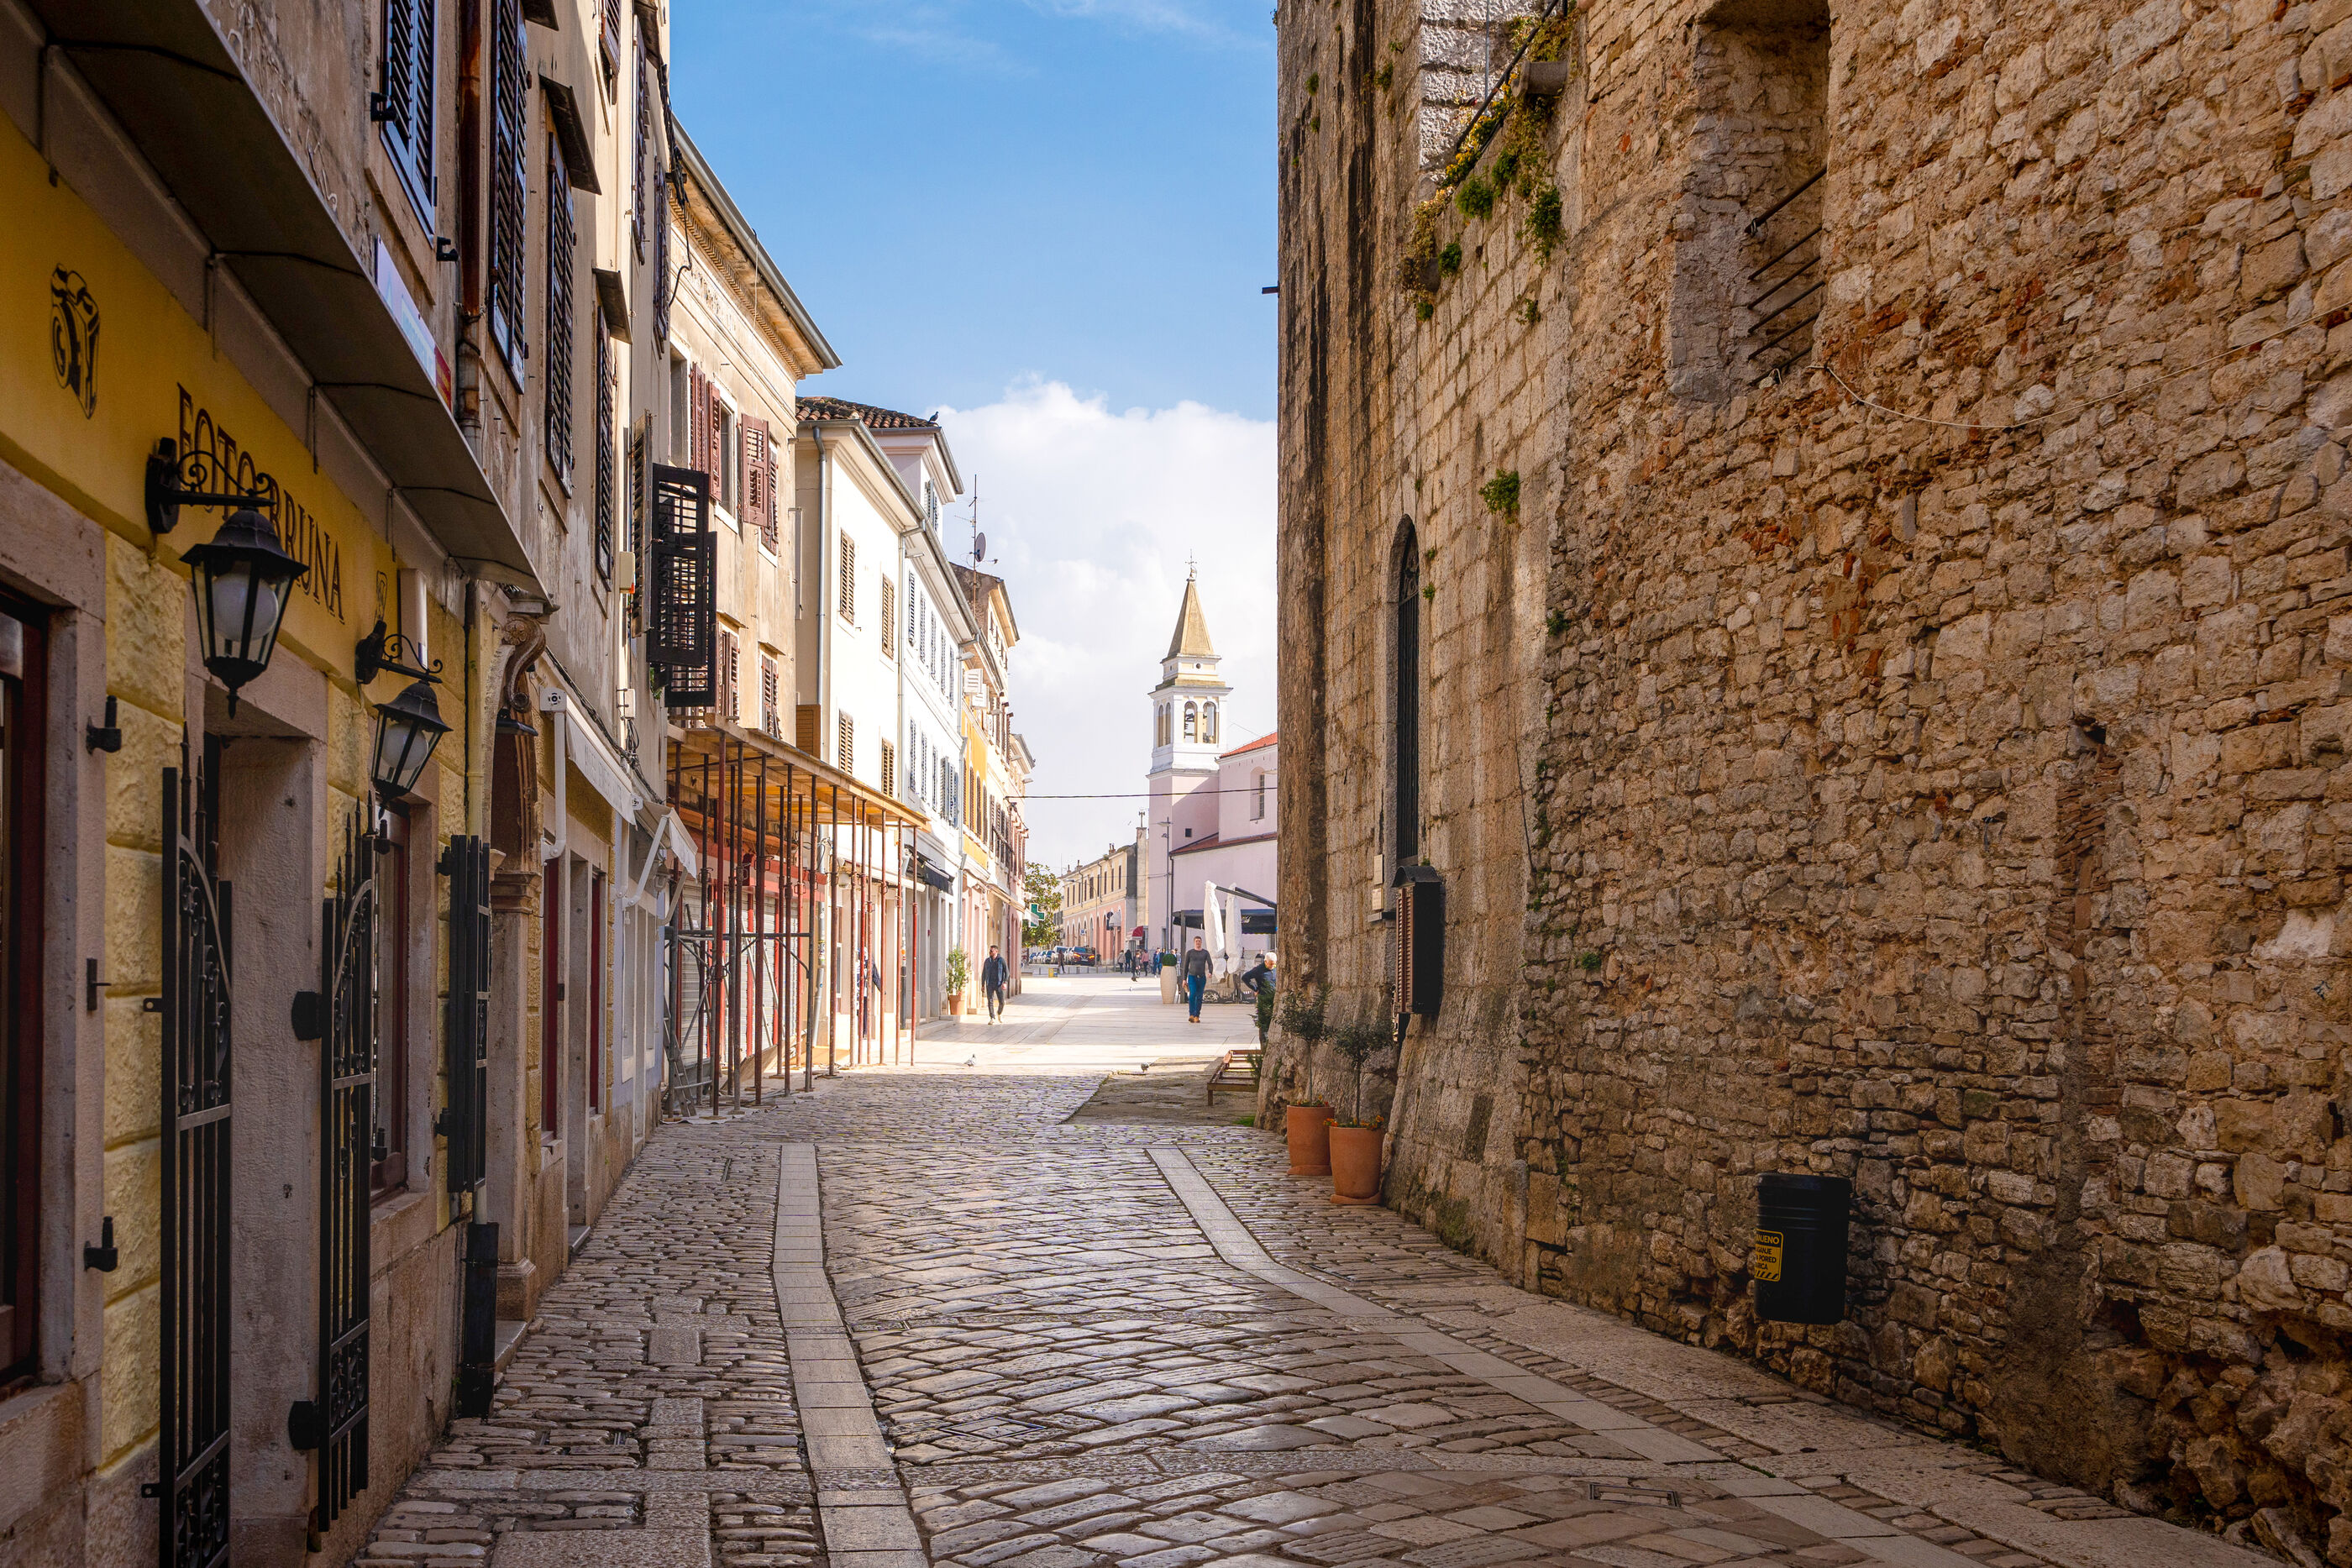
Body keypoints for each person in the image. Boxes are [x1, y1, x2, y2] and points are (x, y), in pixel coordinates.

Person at [1182, 936, 1212, 1023]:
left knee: (1199, 997)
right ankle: (1191, 1014)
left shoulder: (1205, 953)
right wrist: (1184, 979)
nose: (1198, 942)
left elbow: (1210, 964)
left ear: (1201, 942)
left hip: (1202, 977)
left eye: (1199, 941)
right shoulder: (1190, 953)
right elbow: (1186, 966)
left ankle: (1197, 1016)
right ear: (1194, 942)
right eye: (1196, 941)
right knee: (1192, 995)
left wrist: (1210, 972)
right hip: (1192, 977)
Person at [981, 945, 1010, 1022]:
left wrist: (1005, 982)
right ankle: (992, 1017)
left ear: (996, 951)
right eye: (990, 951)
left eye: (992, 951)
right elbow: (984, 973)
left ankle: (999, 1013)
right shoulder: (987, 961)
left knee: (1002, 1002)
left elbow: (1007, 972)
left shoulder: (1001, 960)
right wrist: (983, 985)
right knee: (990, 1000)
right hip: (989, 983)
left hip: (999, 984)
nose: (990, 952)